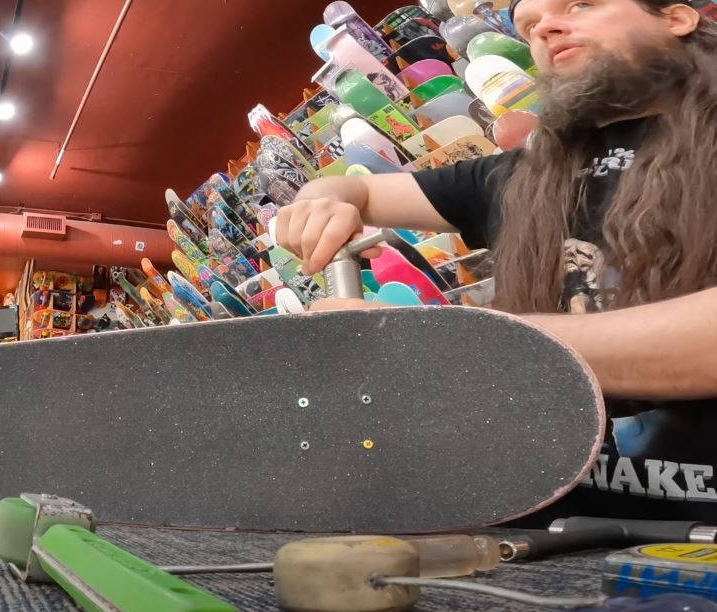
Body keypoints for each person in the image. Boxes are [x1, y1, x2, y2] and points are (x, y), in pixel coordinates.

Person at [270, 0, 717, 524]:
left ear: (676, 18)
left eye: (580, 4)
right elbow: (355, 190)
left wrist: (443, 343)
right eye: (527, 27)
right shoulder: (522, 176)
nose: (545, 27)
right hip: (537, 534)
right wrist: (323, 194)